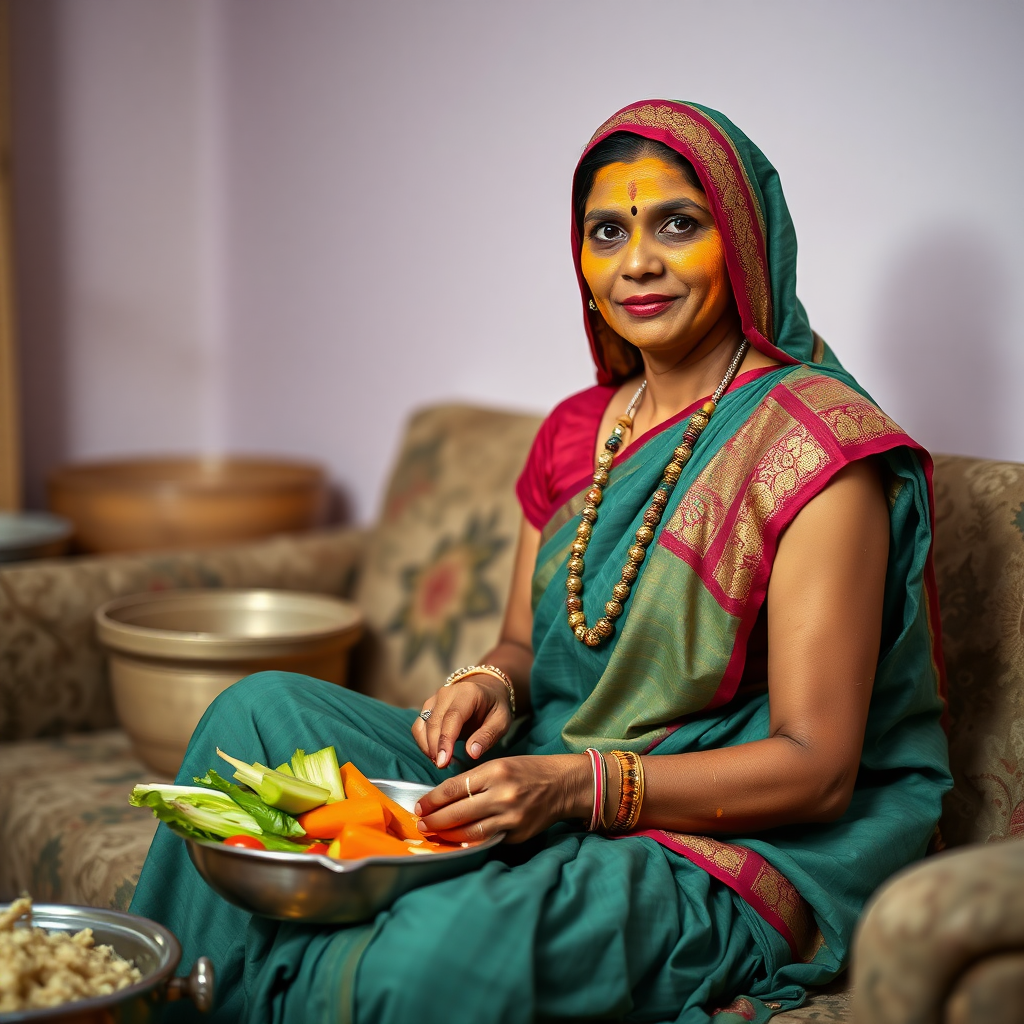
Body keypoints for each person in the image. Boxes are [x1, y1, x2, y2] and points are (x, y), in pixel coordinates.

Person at [131, 100, 951, 1024]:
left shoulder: (814, 452)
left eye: (679, 224)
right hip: (550, 763)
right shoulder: (575, 432)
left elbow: (818, 768)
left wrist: (576, 787)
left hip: (716, 841)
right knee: (256, 713)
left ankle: (246, 995)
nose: (637, 262)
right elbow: (523, 644)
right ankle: (150, 1004)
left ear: (746, 244)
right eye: (607, 231)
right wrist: (491, 682)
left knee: (436, 952)